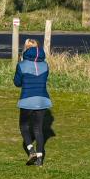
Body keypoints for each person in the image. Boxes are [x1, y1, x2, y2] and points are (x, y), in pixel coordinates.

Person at [14, 38, 52, 166]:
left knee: (24, 126)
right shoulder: (45, 65)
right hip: (42, 99)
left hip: (27, 99)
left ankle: (31, 151)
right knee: (38, 128)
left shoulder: (21, 65)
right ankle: (40, 159)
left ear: (26, 49)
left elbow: (17, 83)